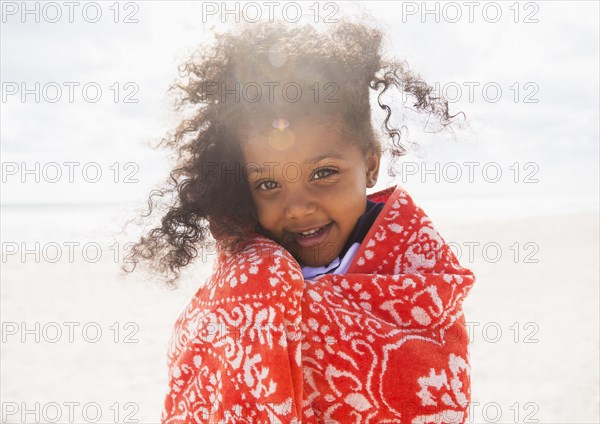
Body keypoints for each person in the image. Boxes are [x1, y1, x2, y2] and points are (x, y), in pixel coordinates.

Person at [123, 17, 476, 424]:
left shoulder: (417, 274)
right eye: (269, 183)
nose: (297, 207)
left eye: (324, 173)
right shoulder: (245, 282)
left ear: (371, 165)